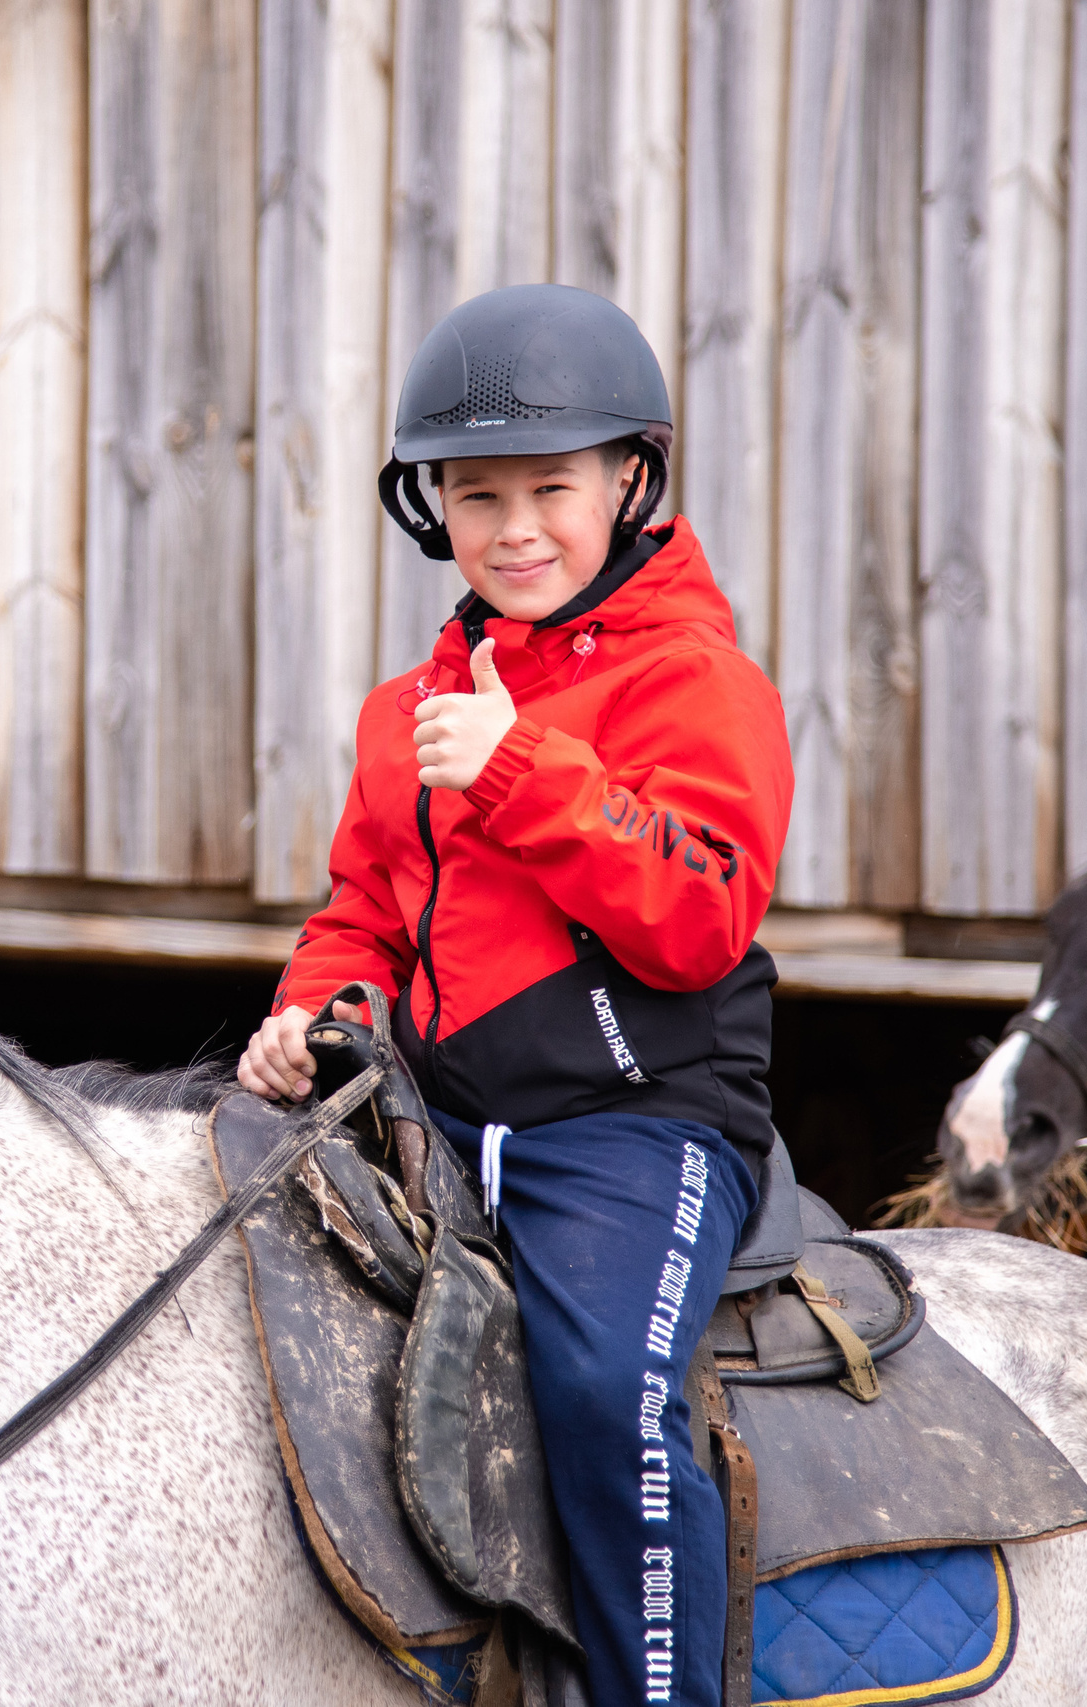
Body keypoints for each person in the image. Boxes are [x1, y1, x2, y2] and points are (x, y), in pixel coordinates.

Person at [237, 283, 793, 1707]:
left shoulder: (701, 681)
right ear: (436, 510)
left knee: (607, 1399)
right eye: (477, 497)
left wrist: (510, 765)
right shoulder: (400, 711)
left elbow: (698, 914)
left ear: (629, 480)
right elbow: (367, 909)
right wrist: (315, 1012)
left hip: (634, 1124)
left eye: (553, 487)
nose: (517, 529)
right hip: (437, 1115)